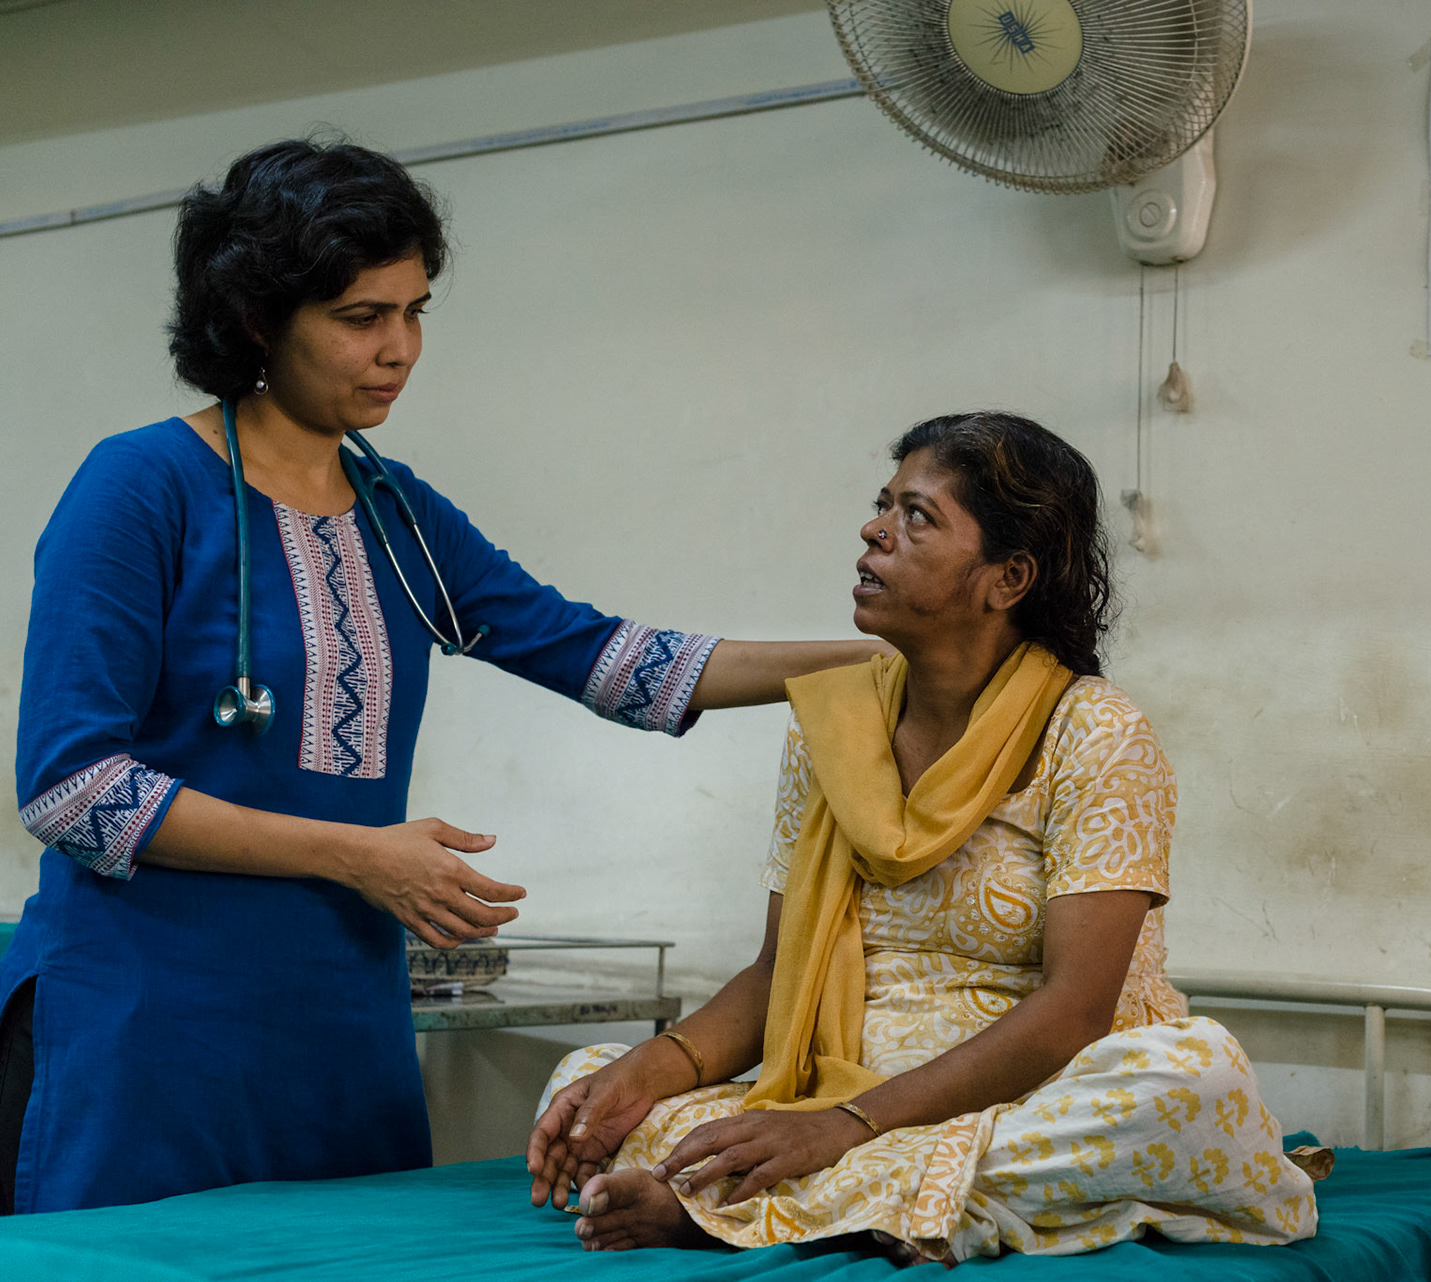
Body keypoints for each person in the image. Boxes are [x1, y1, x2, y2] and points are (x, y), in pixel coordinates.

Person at [0, 138, 878, 1215]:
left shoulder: (397, 513)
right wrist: (360, 856)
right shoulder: (141, 488)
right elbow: (71, 787)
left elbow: (606, 659)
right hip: (152, 1029)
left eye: (415, 312)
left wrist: (878, 660)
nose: (400, 348)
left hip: (338, 1031)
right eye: (362, 317)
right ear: (255, 319)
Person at [527, 412, 1321, 1261]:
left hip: (1030, 1086)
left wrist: (846, 1126)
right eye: (882, 506)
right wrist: (655, 1068)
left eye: (917, 516)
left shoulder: (1094, 732)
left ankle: (741, 1205)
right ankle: (890, 1201)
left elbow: (1074, 1013)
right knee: (584, 1084)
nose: (874, 530)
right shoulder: (831, 724)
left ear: (1007, 578)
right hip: (836, 1081)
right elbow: (774, 973)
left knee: (1190, 1085)